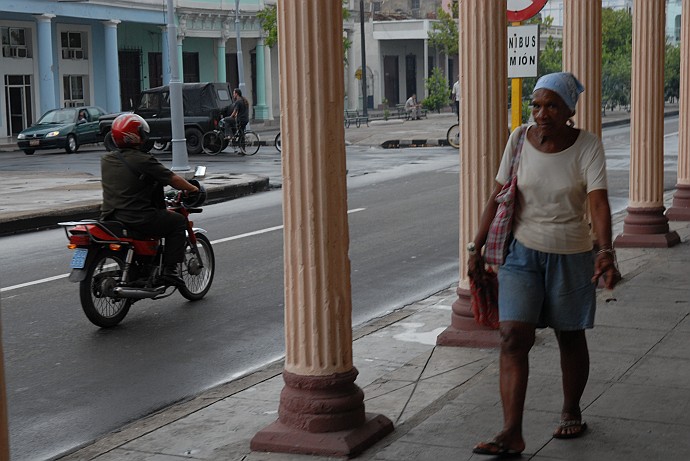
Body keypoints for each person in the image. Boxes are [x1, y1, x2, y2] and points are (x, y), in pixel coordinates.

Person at [469, 72, 621, 457]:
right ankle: (511, 432)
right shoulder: (519, 138)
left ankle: (571, 409)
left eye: (551, 105)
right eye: (536, 105)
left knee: (569, 335)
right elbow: (498, 192)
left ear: (570, 110)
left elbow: (598, 202)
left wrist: (605, 251)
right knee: (512, 338)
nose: (541, 113)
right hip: (520, 253)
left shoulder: (587, 145)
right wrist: (476, 245)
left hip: (571, 255)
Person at [100, 113, 199, 287]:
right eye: (140, 132)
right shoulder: (143, 159)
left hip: (111, 217)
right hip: (138, 218)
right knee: (177, 221)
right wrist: (192, 188)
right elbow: (172, 178)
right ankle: (170, 269)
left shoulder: (107, 159)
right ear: (134, 135)